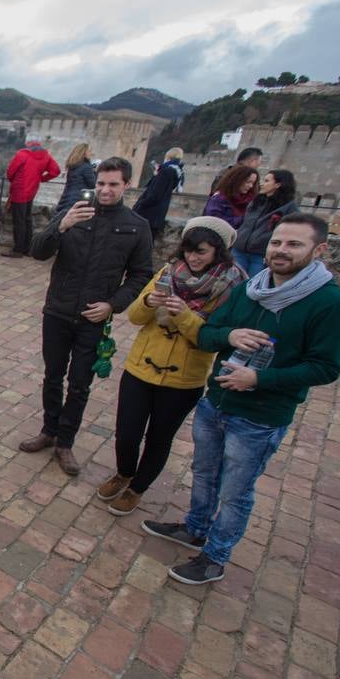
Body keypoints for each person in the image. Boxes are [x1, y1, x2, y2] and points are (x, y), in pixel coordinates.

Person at [142, 213, 340, 585]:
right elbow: (208, 335)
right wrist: (230, 336)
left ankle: (215, 556)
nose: (281, 251)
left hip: (260, 416)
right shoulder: (250, 288)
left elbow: (325, 368)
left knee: (235, 491)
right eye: (276, 242)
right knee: (204, 473)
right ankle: (195, 528)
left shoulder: (331, 303)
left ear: (319, 250)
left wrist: (259, 377)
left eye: (294, 244)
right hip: (217, 401)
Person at [98, 217, 246, 515]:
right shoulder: (168, 272)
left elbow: (212, 338)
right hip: (142, 367)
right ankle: (124, 472)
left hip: (183, 378)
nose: (192, 257)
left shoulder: (232, 287)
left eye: (201, 251)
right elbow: (136, 317)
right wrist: (150, 302)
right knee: (127, 431)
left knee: (159, 437)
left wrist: (183, 316)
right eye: (189, 250)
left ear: (218, 251)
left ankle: (138, 488)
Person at [21, 157, 153, 475]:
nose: (105, 190)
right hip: (58, 310)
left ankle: (65, 442)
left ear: (127, 185)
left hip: (93, 317)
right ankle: (49, 431)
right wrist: (62, 225)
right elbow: (37, 249)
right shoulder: (73, 213)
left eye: (113, 184)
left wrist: (112, 305)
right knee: (53, 375)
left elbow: (140, 275)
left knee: (80, 384)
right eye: (101, 184)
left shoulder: (137, 226)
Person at [2, 134, 60, 258]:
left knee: (19, 220)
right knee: (27, 219)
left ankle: (18, 249)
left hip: (19, 190)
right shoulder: (46, 156)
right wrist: (41, 178)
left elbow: (10, 172)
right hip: (32, 190)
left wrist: (14, 181)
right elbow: (55, 171)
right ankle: (27, 248)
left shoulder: (22, 154)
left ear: (28, 143)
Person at [231, 170, 297, 277]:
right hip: (239, 250)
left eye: (267, 181)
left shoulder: (288, 208)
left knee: (254, 285)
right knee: (233, 282)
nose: (262, 184)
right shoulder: (257, 201)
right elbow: (245, 222)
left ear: (278, 184)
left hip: (261, 255)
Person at [132, 147, 184, 241]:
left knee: (138, 244)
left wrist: (140, 203)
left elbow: (155, 194)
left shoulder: (165, 172)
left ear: (168, 157)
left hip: (147, 214)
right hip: (157, 216)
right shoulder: (176, 172)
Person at [204, 165, 258, 229]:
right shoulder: (218, 199)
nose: (251, 186)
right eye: (248, 182)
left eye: (253, 183)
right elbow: (215, 223)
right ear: (238, 179)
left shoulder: (251, 200)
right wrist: (244, 218)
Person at [55, 143, 97, 216]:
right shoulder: (86, 166)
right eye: (90, 151)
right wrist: (95, 172)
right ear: (84, 152)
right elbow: (92, 184)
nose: (91, 153)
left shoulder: (73, 166)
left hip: (66, 199)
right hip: (77, 199)